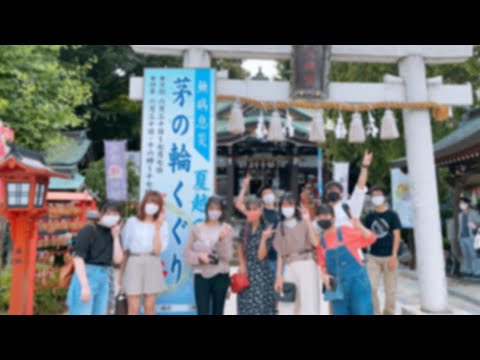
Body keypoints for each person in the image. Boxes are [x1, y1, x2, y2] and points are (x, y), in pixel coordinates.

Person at [310, 204, 377, 315]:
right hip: (337, 286)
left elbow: (371, 238)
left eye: (326, 215)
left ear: (333, 217)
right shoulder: (321, 242)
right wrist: (325, 276)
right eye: (320, 216)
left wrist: (360, 227)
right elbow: (322, 265)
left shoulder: (345, 231)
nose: (323, 219)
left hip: (357, 282)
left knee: (362, 311)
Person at [67, 203, 124, 315]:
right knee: (82, 311)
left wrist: (116, 237)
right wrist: (84, 285)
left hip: (104, 276)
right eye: (109, 213)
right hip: (87, 274)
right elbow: (78, 258)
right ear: (101, 214)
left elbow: (118, 260)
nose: (112, 216)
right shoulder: (89, 230)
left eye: (115, 214)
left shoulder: (113, 232)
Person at [120, 191, 169, 315]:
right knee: (133, 307)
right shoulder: (132, 222)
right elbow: (125, 250)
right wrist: (121, 274)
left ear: (159, 207)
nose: (152, 205)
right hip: (134, 261)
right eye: (149, 201)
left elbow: (158, 250)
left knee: (149, 306)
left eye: (155, 203)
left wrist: (157, 228)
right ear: (143, 203)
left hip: (152, 261)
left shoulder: (163, 225)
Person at [184, 196, 234, 315]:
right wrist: (199, 257)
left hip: (221, 275)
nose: (214, 211)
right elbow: (187, 254)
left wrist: (221, 240)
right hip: (201, 275)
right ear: (206, 209)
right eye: (211, 208)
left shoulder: (227, 228)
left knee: (218, 311)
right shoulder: (197, 228)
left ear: (222, 211)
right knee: (202, 311)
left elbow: (228, 256)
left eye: (218, 208)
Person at [273, 194, 320, 315]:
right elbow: (280, 254)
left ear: (295, 206)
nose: (286, 208)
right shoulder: (280, 226)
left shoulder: (304, 222)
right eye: (284, 205)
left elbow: (315, 242)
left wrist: (308, 220)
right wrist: (279, 276)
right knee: (287, 303)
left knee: (308, 301)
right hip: (289, 265)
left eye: (290, 205)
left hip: (306, 263)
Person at [364, 186, 402, 315]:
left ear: (384, 197)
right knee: (371, 288)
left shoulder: (392, 215)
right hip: (373, 256)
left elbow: (397, 236)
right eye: (373, 195)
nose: (376, 197)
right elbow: (366, 235)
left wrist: (394, 256)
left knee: (390, 290)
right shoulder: (369, 217)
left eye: (378, 194)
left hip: (389, 256)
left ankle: (389, 312)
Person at [236, 197, 276, 315]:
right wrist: (242, 264)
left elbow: (261, 256)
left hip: (260, 273)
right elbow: (239, 245)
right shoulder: (245, 227)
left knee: (260, 307)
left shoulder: (267, 228)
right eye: (249, 210)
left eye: (255, 209)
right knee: (245, 306)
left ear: (261, 210)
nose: (252, 212)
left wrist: (263, 238)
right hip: (246, 273)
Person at [235, 175, 281, 275]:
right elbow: (239, 205)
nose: (268, 195)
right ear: (262, 198)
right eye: (265, 194)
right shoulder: (258, 212)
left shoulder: (280, 214)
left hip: (277, 257)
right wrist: (244, 187)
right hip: (262, 259)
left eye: (270, 193)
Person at [457, 197, 480, 278]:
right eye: (460, 203)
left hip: (471, 237)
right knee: (466, 256)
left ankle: (477, 272)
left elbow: (479, 223)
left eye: (463, 203)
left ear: (468, 204)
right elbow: (460, 226)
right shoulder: (460, 215)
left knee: (474, 255)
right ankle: (468, 271)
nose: (461, 205)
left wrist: (474, 226)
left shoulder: (474, 213)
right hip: (462, 237)